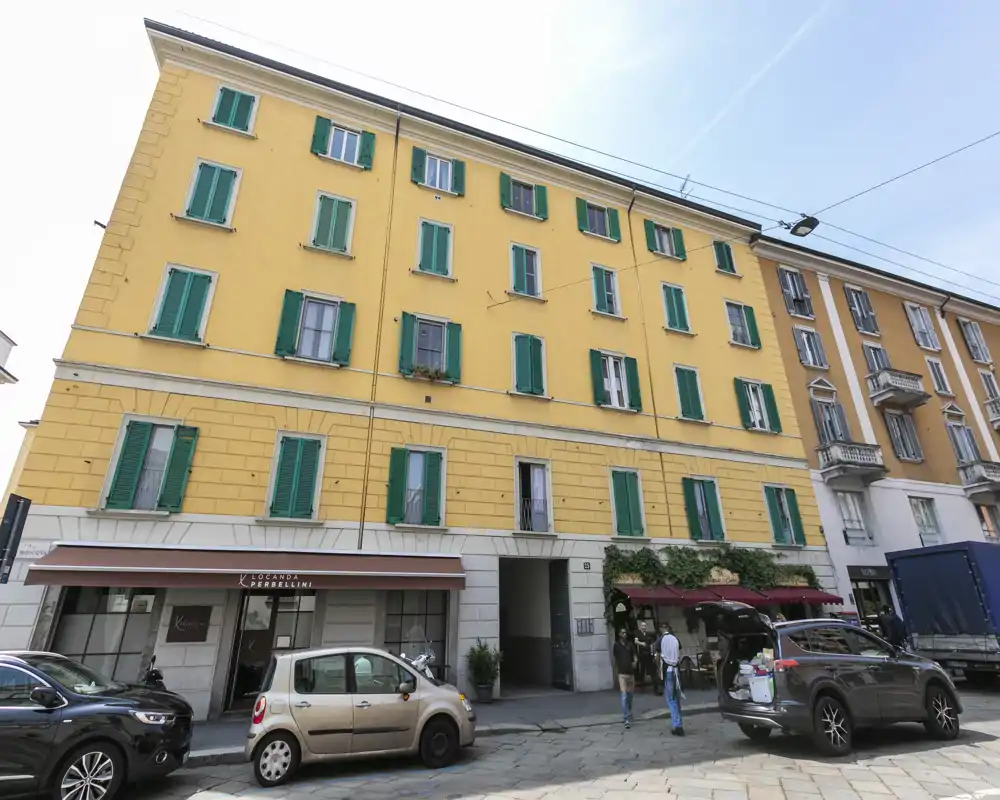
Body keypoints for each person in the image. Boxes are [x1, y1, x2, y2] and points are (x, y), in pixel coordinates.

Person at [659, 622, 684, 736]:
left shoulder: (661, 639)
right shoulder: (675, 639)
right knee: (677, 699)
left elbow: (655, 651)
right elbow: (680, 649)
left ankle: (677, 725)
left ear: (661, 629)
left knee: (671, 699)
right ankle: (679, 723)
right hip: (676, 671)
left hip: (668, 671)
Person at [612, 628, 637, 728]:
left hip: (630, 673)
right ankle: (626, 717)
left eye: (625, 632)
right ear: (619, 634)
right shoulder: (616, 645)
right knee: (624, 695)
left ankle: (629, 711)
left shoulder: (630, 644)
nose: (624, 634)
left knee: (630, 696)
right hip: (622, 674)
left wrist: (635, 661)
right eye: (622, 632)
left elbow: (634, 655)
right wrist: (615, 672)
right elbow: (614, 658)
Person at [634, 621, 661, 693]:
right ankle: (641, 686)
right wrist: (641, 643)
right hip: (642, 654)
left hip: (648, 654)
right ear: (640, 627)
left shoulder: (648, 634)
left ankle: (656, 687)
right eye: (643, 626)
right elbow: (636, 641)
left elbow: (652, 643)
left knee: (652, 671)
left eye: (645, 626)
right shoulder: (638, 633)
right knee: (642, 670)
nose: (644, 627)